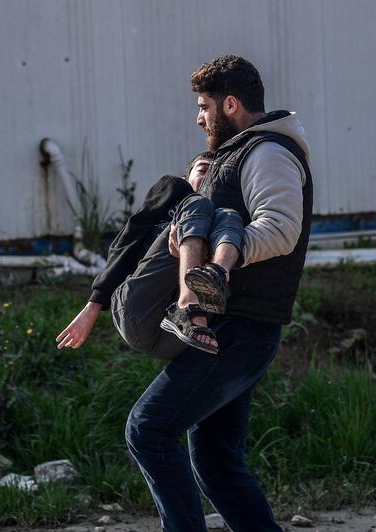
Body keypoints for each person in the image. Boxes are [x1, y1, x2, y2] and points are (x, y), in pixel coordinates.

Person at [125, 54, 313, 531]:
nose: (200, 117)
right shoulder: (240, 153)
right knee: (216, 463)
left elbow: (282, 229)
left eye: (206, 106)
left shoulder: (269, 152)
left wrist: (216, 263)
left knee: (150, 429)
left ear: (231, 104)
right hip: (236, 328)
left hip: (240, 328)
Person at [56, 151, 245, 357]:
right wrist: (92, 307)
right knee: (196, 203)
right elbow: (126, 243)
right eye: (203, 170)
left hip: (178, 336)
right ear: (186, 177)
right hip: (137, 312)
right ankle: (189, 304)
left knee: (230, 216)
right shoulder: (177, 191)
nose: (209, 178)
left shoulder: (220, 217)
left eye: (215, 174)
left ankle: (214, 276)